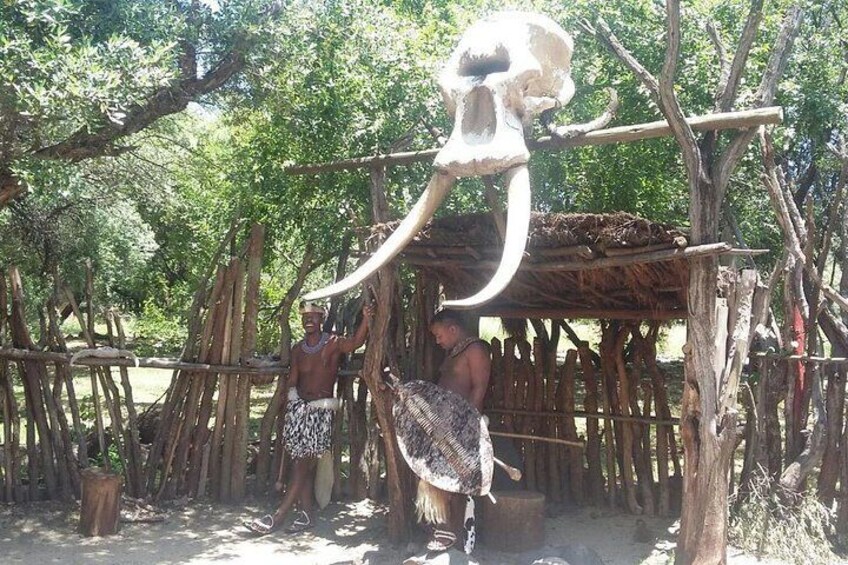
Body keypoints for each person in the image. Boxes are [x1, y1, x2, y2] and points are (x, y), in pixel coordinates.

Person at [246, 300, 373, 534]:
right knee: (299, 463)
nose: (309, 321)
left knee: (303, 463)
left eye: (314, 317)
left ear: (322, 319)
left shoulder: (333, 343)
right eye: (305, 318)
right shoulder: (297, 349)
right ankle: (306, 515)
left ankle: (278, 516)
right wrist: (291, 404)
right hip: (299, 410)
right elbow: (293, 380)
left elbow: (356, 342)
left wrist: (366, 318)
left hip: (320, 412)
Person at [418, 308, 491, 553]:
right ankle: (444, 529)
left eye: (439, 335)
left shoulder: (476, 350)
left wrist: (465, 425)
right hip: (443, 425)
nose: (438, 341)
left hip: (460, 426)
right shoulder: (452, 353)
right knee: (438, 477)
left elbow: (479, 389)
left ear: (453, 329)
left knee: (456, 480)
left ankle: (454, 535)